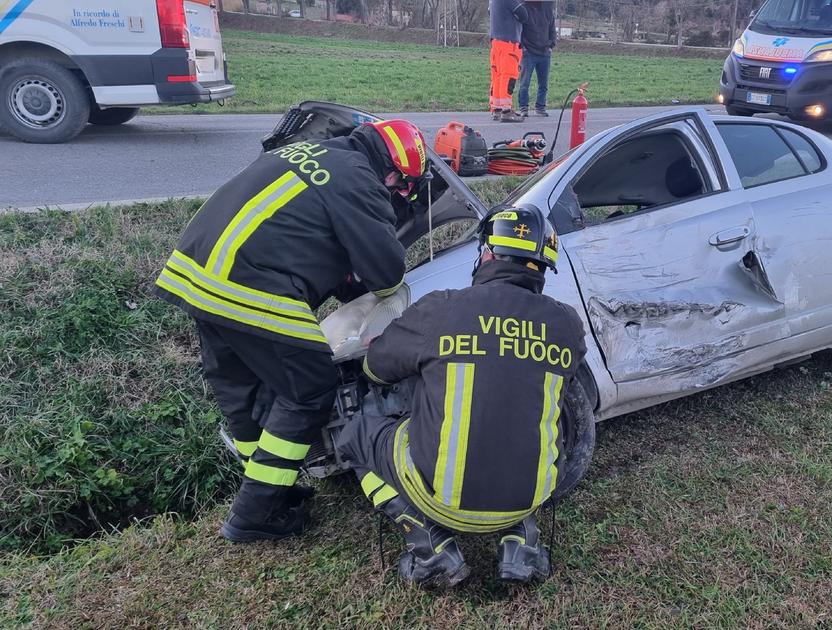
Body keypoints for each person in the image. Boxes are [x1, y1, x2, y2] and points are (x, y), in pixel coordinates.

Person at [154, 119, 430, 543]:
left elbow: (303, 233)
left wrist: (343, 282)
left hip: (196, 276)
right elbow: (387, 272)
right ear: (392, 171)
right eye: (401, 186)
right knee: (311, 386)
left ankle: (269, 492)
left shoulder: (310, 151)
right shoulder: (360, 179)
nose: (397, 193)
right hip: (251, 285)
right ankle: (253, 516)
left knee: (242, 388)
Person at [336, 207, 588, 590]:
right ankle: (523, 545)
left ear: (486, 253)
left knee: (354, 434)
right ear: (543, 267)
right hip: (531, 497)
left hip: (440, 501)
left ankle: (429, 547)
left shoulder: (443, 308)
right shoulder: (567, 324)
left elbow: (375, 369)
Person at [490, 0, 529, 122]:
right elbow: (524, 15)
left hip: (496, 43)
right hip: (509, 43)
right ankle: (506, 111)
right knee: (508, 77)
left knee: (498, 77)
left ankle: (497, 108)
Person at [518, 0, 556, 118]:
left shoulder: (547, 8)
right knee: (524, 83)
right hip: (528, 53)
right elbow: (519, 30)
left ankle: (540, 107)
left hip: (544, 52)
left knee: (543, 84)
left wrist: (551, 45)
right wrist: (523, 48)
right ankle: (523, 108)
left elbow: (552, 29)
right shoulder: (523, 8)